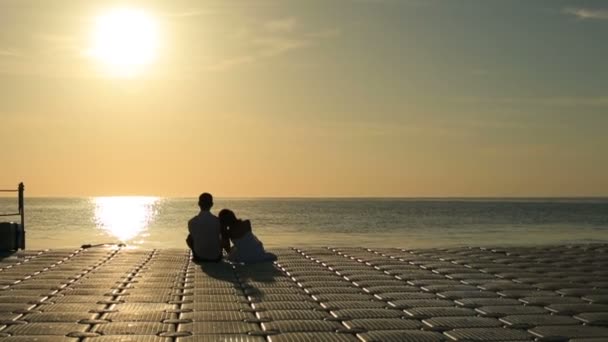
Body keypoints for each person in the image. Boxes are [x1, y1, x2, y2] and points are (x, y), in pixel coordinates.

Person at [186, 193, 229, 262]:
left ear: (199, 203)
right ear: (211, 204)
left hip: (199, 256)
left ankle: (195, 254)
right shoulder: (218, 221)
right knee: (222, 236)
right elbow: (225, 240)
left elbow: (193, 238)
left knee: (189, 238)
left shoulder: (191, 222)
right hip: (216, 257)